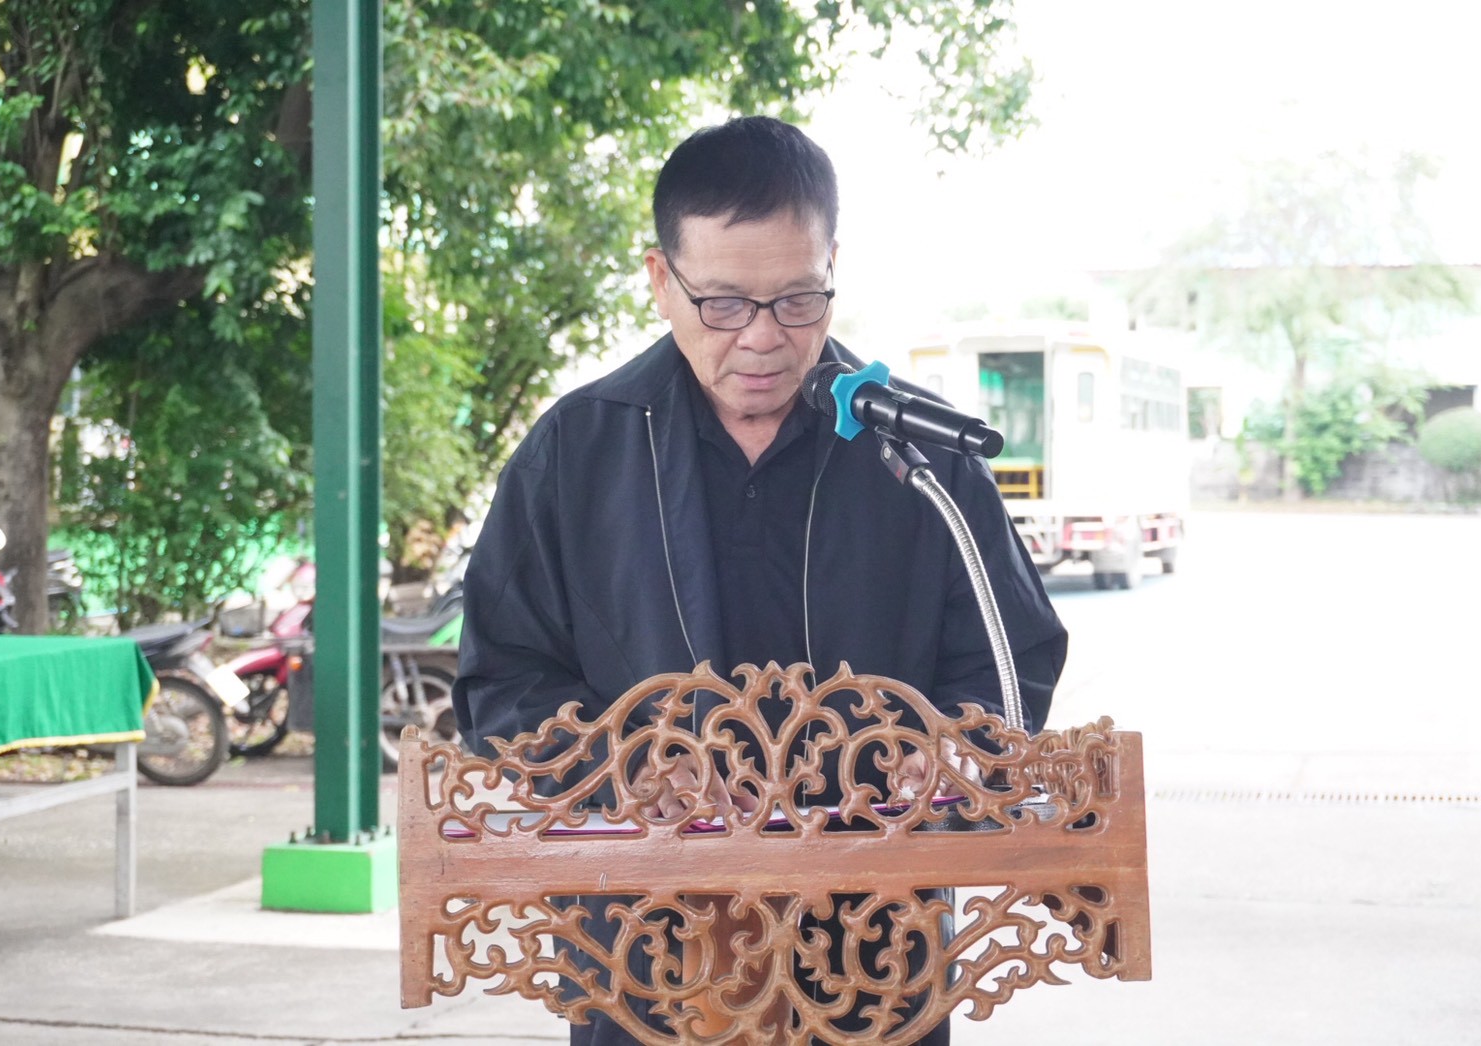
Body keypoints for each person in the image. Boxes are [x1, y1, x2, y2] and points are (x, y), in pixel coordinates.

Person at [454, 115, 1068, 1046]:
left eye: (797, 300)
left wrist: (954, 748)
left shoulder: (919, 451)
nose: (763, 339)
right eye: (724, 304)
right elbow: (502, 681)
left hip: (876, 943)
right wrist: (623, 770)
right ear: (661, 280)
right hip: (648, 944)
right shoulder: (575, 453)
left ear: (833, 267)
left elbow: (1009, 652)